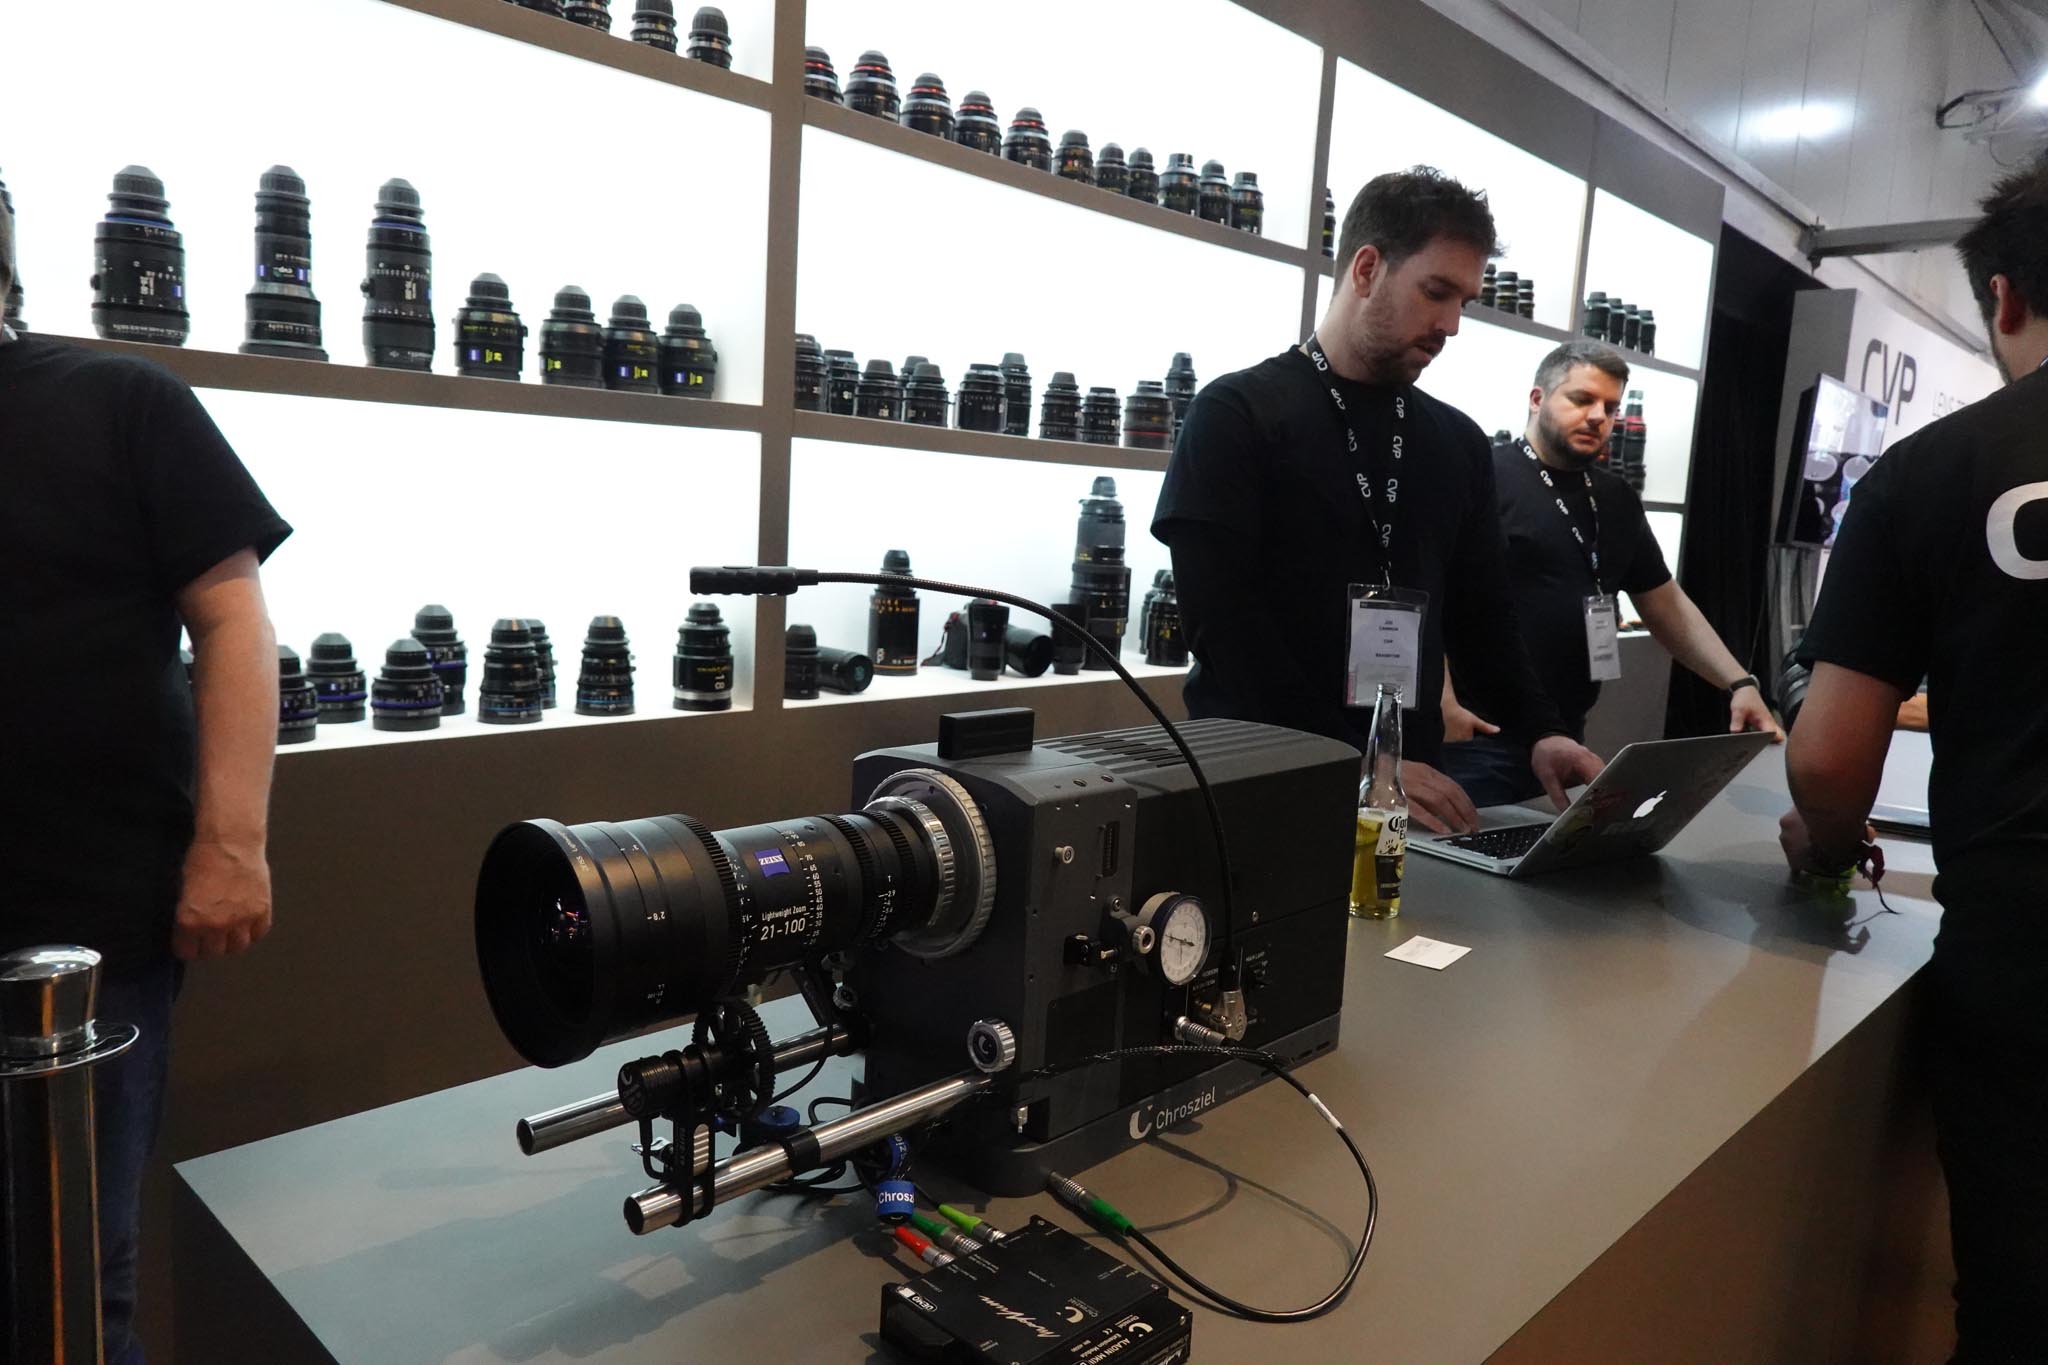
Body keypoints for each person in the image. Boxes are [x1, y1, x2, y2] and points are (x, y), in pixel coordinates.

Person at [0, 199, 290, 1362]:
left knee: (76, 1267)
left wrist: (232, 844)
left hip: (87, 930)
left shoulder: (121, 400)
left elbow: (234, 620)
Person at [1779, 163, 2048, 1361]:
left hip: (2024, 954)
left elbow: (1830, 757)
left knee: (2017, 1302)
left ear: (2001, 297)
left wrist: (1824, 854)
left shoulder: (1932, 471)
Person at [1152, 167, 1602, 834]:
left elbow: (1483, 619)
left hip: (1406, 798)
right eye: (1436, 292)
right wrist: (1357, 763)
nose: (1451, 324)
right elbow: (1225, 632)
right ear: (1366, 269)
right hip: (1257, 789)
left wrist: (1542, 730)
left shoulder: (1458, 442)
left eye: (1464, 302)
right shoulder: (1236, 413)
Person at [1439, 341, 1780, 806]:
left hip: (1564, 737)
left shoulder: (1615, 497)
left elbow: (1665, 604)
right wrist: (1443, 700)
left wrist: (1738, 682)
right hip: (1480, 735)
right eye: (1582, 399)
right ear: (1537, 399)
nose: (1598, 416)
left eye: (1611, 407)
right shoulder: (1487, 477)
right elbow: (1435, 592)